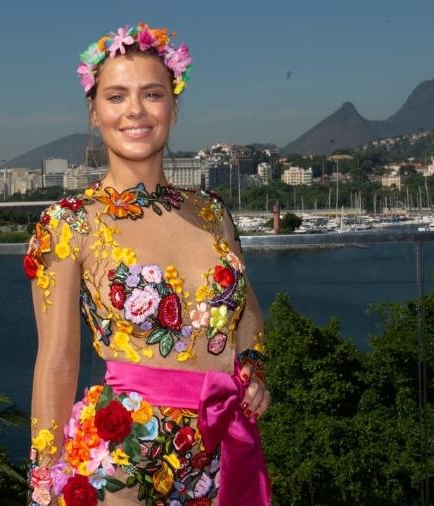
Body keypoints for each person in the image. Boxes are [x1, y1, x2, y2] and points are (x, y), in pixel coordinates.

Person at [23, 23, 271, 506]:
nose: (134, 111)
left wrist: (251, 372)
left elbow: (248, 314)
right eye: (116, 97)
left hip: (221, 447)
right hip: (124, 459)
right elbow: (56, 363)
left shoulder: (213, 213)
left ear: (173, 108)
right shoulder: (69, 224)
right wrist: (45, 480)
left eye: (151, 94)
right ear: (95, 112)